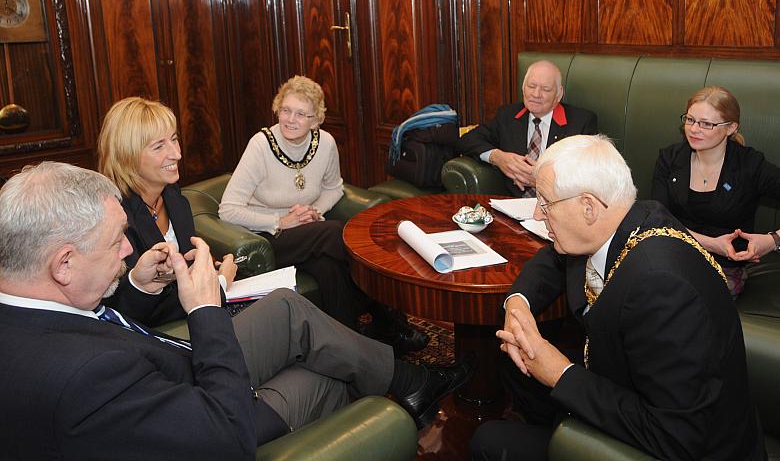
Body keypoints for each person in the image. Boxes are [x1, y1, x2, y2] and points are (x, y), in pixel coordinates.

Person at [0, 162, 475, 460]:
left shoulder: (32, 301)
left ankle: (409, 385)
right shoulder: (81, 378)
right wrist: (205, 310)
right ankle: (405, 391)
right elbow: (222, 433)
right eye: (115, 242)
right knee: (328, 376)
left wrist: (138, 287)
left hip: (172, 364)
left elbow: (102, 324)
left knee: (287, 308)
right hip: (202, 406)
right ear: (63, 262)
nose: (128, 250)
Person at [470, 135, 766, 460]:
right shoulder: (637, 216)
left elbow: (676, 436)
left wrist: (560, 373)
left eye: (545, 201)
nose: (538, 214)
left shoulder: (660, 287)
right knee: (515, 363)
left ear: (588, 207)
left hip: (691, 445)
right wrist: (518, 304)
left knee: (487, 439)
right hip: (627, 381)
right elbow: (552, 260)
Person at [219, 76, 427, 352]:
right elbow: (228, 210)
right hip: (268, 238)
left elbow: (334, 188)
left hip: (308, 234)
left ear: (316, 120)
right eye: (285, 110)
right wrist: (280, 221)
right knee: (334, 231)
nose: (290, 119)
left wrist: (315, 211)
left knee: (329, 269)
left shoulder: (325, 144)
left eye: (301, 114)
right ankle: (391, 319)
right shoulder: (261, 145)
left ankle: (355, 347)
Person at [97, 96, 237, 327]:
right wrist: (218, 284)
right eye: (159, 146)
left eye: (174, 139)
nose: (177, 154)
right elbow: (125, 308)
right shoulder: (113, 215)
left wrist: (207, 269)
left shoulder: (175, 198)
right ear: (127, 156)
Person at [652, 86, 780, 297]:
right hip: (670, 256)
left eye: (706, 124)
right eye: (690, 120)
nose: (694, 129)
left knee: (674, 297)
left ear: (730, 128)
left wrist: (773, 240)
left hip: (724, 268)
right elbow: (659, 220)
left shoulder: (750, 165)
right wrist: (712, 244)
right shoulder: (670, 158)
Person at [457, 60, 598, 197]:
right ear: (523, 88)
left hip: (557, 207)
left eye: (546, 89)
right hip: (513, 206)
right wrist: (499, 158)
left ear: (559, 94)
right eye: (531, 86)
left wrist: (543, 181)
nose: (536, 94)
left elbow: (590, 174)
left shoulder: (581, 122)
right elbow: (469, 139)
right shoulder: (508, 115)